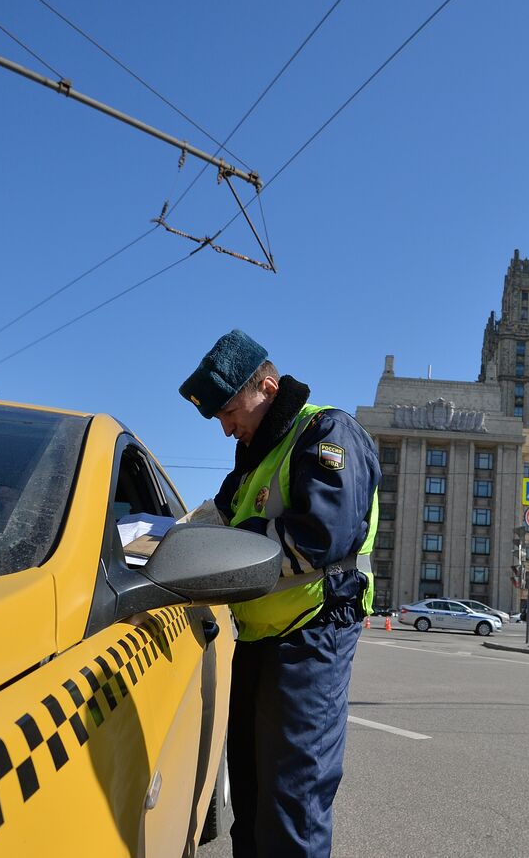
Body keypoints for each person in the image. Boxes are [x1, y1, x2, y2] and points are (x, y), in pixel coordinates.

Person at [179, 328, 379, 858]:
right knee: (251, 799)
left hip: (311, 639)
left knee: (292, 806)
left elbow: (317, 539)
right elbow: (205, 529)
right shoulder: (250, 460)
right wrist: (161, 544)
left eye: (229, 412)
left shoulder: (327, 431)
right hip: (256, 641)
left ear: (266, 387)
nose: (226, 429)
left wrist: (221, 552)